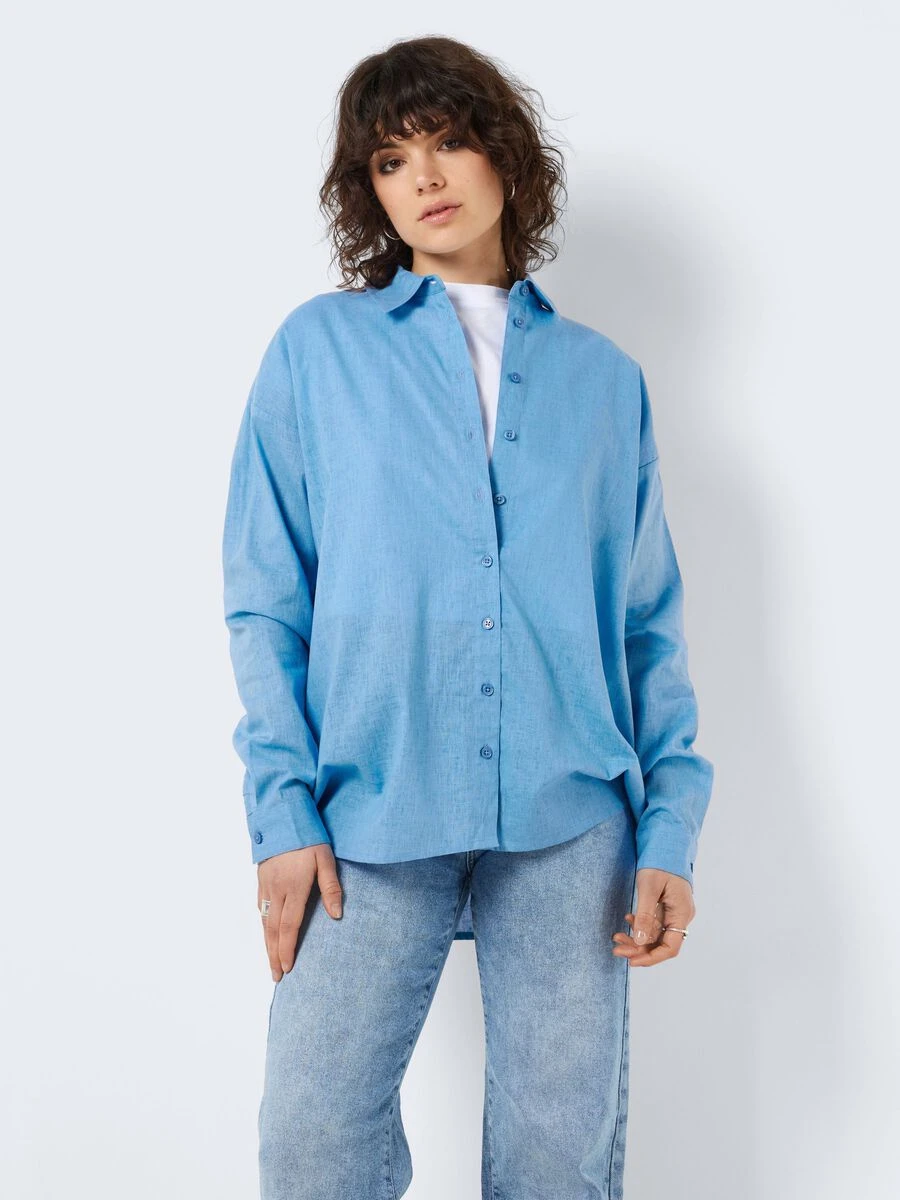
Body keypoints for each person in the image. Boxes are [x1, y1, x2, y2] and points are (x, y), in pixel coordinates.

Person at [221, 34, 714, 1200]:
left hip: (570, 817)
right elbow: (266, 597)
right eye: (391, 160)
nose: (426, 177)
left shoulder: (605, 381)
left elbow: (646, 621)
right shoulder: (318, 352)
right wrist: (282, 810)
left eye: (448, 142)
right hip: (368, 809)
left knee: (556, 1158)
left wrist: (670, 829)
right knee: (312, 1136)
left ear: (504, 156)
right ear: (370, 192)